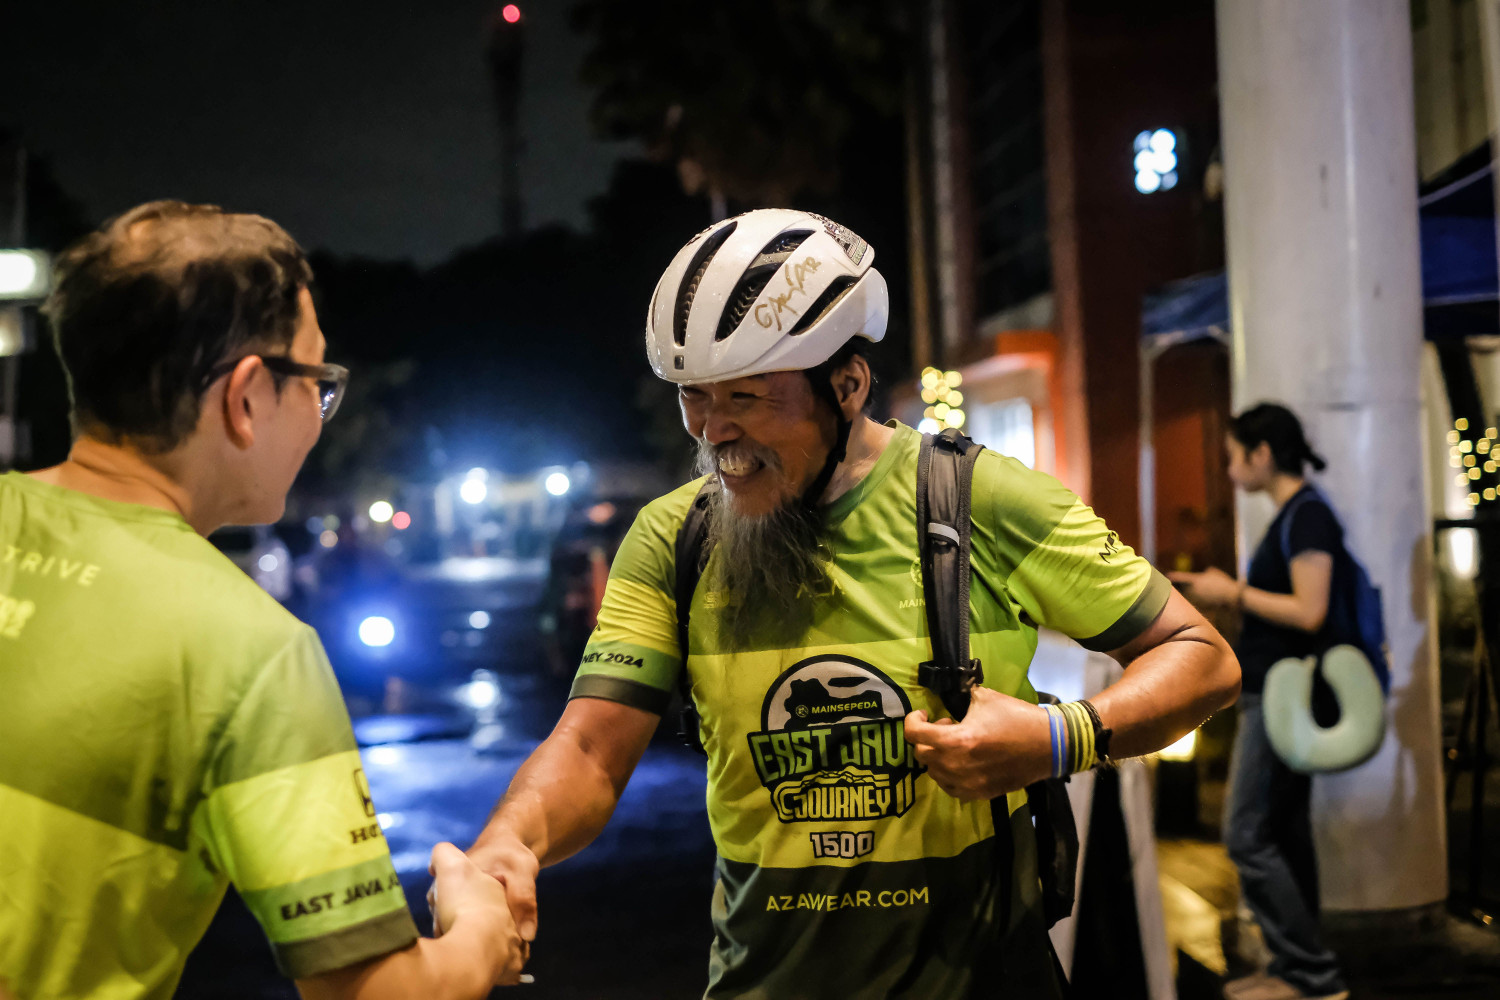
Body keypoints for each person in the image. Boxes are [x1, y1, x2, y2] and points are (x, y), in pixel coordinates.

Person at [467, 209, 1241, 998]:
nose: (713, 432)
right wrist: (510, 845)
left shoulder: (980, 501)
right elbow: (591, 749)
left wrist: (1055, 739)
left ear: (847, 386)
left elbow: (1202, 658)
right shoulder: (673, 538)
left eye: (746, 397)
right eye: (693, 397)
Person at [0, 201, 525, 999]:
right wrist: (480, 931)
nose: (319, 416)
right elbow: (375, 993)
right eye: (317, 383)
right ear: (245, 397)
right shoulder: (251, 651)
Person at [1169, 402, 1351, 1000]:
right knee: (1285, 831)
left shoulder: (1307, 516)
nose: (1229, 470)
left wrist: (1232, 592)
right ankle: (1296, 972)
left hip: (1282, 693)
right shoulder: (1298, 515)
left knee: (1246, 832)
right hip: (1278, 691)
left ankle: (1312, 973)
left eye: (1233, 456)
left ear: (1262, 454)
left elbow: (1310, 610)